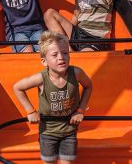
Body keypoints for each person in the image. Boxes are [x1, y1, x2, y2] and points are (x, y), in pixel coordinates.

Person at [13, 31, 93, 163]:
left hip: (69, 130)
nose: (61, 57)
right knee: (49, 162)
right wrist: (30, 111)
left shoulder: (77, 73)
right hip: (48, 132)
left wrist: (80, 110)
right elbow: (18, 87)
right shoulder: (41, 78)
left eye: (65, 53)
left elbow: (89, 86)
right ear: (44, 62)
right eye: (55, 55)